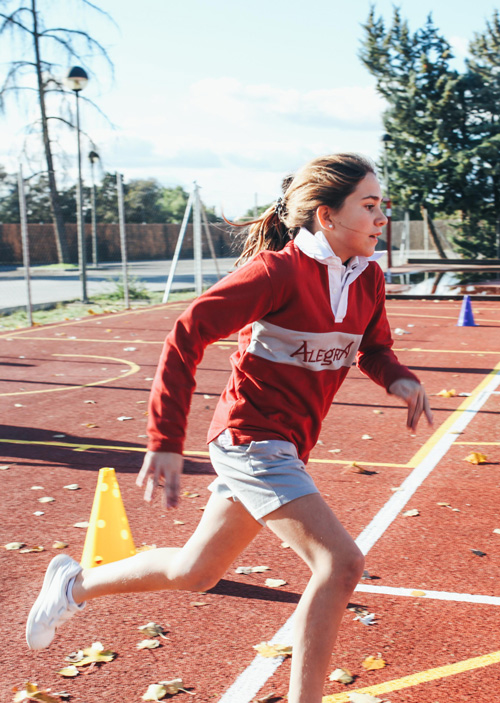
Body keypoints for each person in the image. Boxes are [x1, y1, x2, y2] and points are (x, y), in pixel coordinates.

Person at [26, 153, 432, 703]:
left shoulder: (368, 278)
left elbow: (375, 348)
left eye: (382, 204)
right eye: (369, 205)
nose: (382, 217)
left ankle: (72, 584)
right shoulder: (278, 272)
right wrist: (166, 440)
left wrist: (399, 379)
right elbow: (185, 334)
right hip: (250, 439)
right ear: (326, 215)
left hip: (286, 445)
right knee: (340, 564)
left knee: (197, 571)